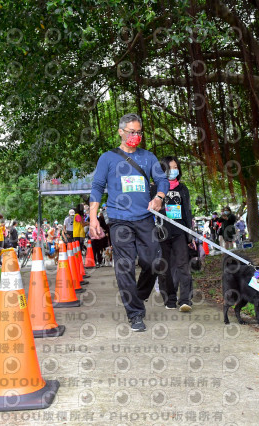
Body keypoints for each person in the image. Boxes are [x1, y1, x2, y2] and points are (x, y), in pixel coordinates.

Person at [89, 113, 168, 332]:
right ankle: (135, 314)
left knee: (153, 262)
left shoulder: (148, 157)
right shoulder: (108, 158)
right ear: (121, 132)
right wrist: (94, 218)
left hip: (144, 218)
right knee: (124, 267)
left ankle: (139, 296)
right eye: (131, 132)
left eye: (139, 132)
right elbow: (96, 187)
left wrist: (159, 198)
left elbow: (161, 180)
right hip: (119, 220)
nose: (136, 136)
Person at [155, 156, 194, 311]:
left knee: (183, 266)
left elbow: (187, 212)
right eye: (170, 168)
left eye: (176, 167)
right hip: (161, 234)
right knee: (164, 268)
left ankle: (185, 300)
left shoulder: (183, 189)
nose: (174, 170)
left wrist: (189, 235)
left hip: (180, 233)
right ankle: (170, 298)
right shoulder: (155, 189)